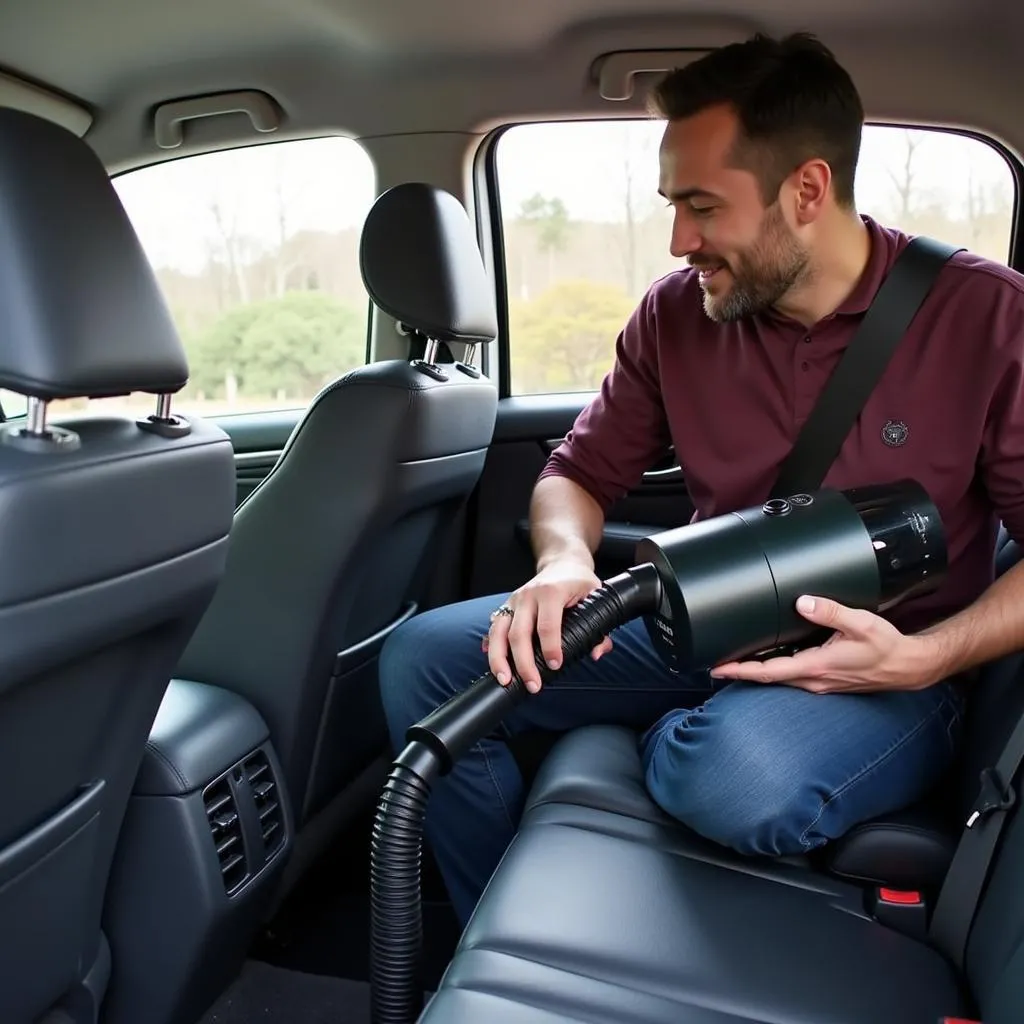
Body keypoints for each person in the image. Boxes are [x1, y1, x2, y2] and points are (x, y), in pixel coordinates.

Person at [379, 31, 1024, 928]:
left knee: (737, 777)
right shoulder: (676, 315)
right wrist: (564, 561)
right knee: (427, 664)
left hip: (882, 668)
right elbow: (577, 473)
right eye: (671, 206)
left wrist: (926, 656)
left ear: (807, 190)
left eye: (702, 207)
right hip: (694, 618)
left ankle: (658, 743)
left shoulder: (986, 317)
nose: (680, 240)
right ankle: (501, 934)